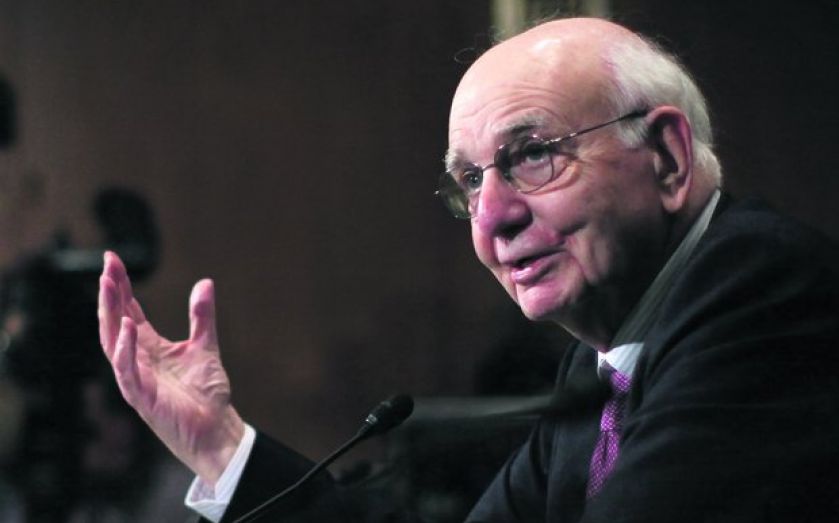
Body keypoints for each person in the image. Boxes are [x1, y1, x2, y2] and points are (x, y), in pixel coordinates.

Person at [98, 17, 839, 522]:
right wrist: (221, 444)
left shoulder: (766, 296)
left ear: (667, 159)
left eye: (532, 155)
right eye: (470, 182)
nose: (490, 219)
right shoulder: (602, 365)